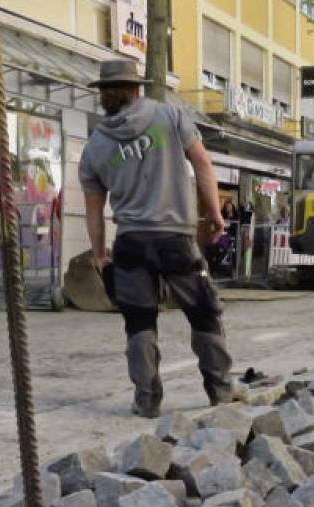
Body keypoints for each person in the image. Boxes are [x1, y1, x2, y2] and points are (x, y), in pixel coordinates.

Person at [78, 60, 233, 418]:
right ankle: (221, 391)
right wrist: (214, 212)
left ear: (103, 94)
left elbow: (93, 211)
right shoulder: (170, 116)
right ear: (137, 88)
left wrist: (100, 255)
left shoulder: (95, 146)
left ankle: (147, 400)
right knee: (204, 313)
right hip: (175, 239)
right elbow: (202, 163)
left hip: (130, 243)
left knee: (139, 322)